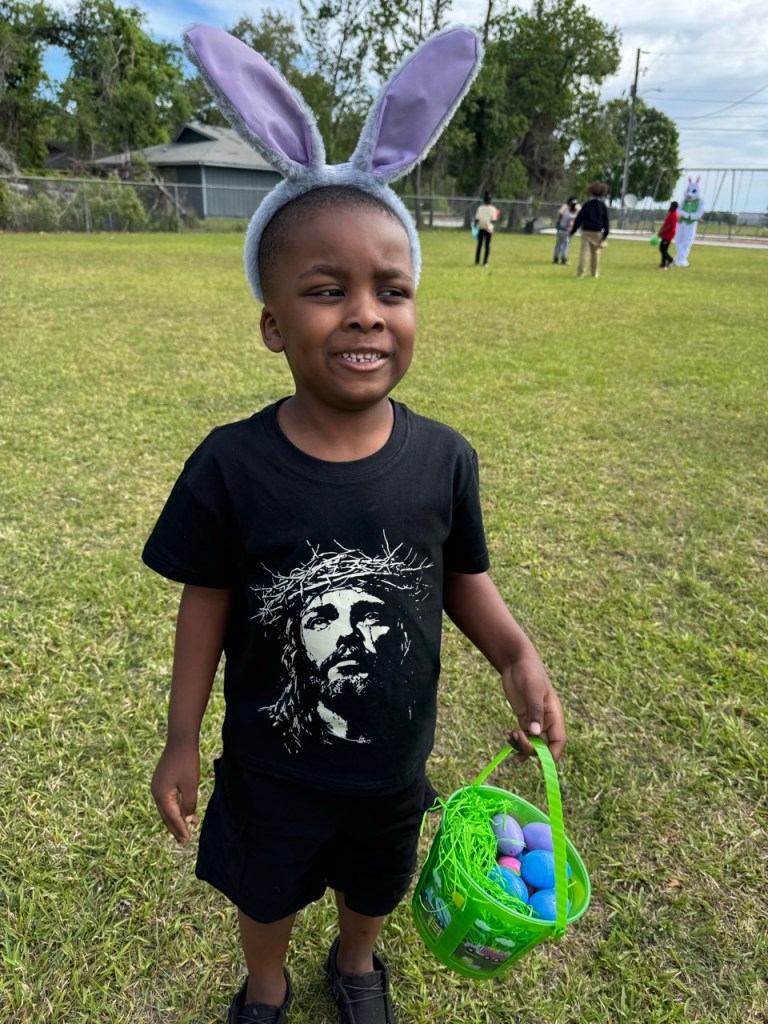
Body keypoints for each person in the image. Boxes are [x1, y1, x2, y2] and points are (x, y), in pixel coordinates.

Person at [144, 24, 566, 1024]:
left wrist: (514, 650)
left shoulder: (443, 458)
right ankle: (268, 980)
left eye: (393, 288)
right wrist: (180, 737)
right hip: (271, 759)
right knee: (266, 890)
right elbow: (207, 601)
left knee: (375, 881)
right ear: (273, 324)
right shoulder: (231, 463)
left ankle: (360, 965)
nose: (366, 314)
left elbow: (459, 573)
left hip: (391, 761)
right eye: (327, 292)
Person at [570, 181, 610, 278]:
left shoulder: (587, 205)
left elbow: (579, 219)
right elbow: (606, 221)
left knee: (584, 252)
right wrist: (605, 235)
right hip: (597, 232)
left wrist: (573, 231)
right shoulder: (603, 206)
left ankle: (581, 273)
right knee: (595, 253)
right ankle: (594, 273)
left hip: (586, 231)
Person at [473, 191, 499, 266]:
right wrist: (493, 228)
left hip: (481, 227)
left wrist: (475, 226)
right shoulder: (493, 209)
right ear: (490, 201)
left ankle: (477, 262)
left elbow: (477, 218)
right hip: (489, 228)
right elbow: (493, 220)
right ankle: (485, 262)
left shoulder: (480, 208)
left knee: (479, 245)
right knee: (487, 245)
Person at [552, 199, 578, 265]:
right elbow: (571, 224)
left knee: (559, 244)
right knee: (566, 245)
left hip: (560, 230)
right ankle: (564, 259)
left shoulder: (566, 213)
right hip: (566, 231)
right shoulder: (572, 216)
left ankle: (556, 258)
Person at [657, 201, 678, 270]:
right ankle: (665, 262)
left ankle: (668, 262)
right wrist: (660, 231)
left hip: (669, 234)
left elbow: (670, 226)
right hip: (665, 233)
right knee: (662, 248)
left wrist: (662, 231)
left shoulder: (674, 215)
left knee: (663, 249)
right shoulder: (671, 214)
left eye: (671, 206)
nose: (670, 207)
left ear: (674, 207)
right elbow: (665, 224)